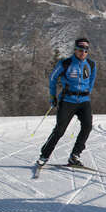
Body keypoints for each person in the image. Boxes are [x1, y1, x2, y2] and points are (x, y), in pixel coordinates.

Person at [36, 38, 97, 167]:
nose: (83, 53)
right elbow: (53, 78)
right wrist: (52, 96)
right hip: (68, 100)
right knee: (59, 131)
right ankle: (44, 156)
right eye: (80, 50)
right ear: (75, 50)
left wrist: (87, 91)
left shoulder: (91, 64)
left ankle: (75, 156)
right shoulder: (66, 63)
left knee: (87, 127)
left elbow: (91, 80)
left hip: (84, 101)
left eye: (86, 51)